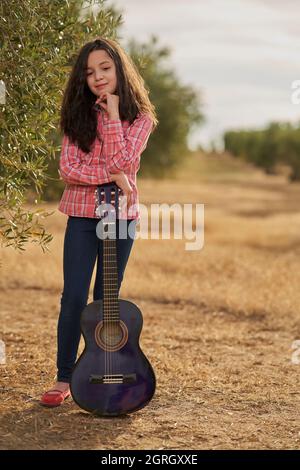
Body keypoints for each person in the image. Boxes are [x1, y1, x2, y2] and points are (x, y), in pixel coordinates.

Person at [40, 37, 158, 407]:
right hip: (81, 216)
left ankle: (98, 369)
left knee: (106, 299)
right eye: (90, 72)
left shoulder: (141, 118)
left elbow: (125, 161)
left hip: (121, 218)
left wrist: (111, 118)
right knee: (73, 296)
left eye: (105, 68)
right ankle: (64, 377)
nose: (98, 77)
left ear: (120, 70)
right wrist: (112, 174)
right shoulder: (76, 114)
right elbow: (67, 168)